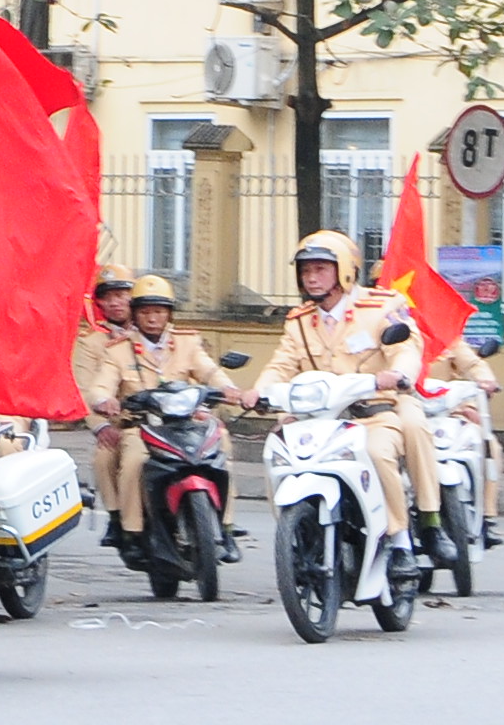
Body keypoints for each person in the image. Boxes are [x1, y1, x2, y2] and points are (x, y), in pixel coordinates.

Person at [253, 228, 442, 565]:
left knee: (378, 452)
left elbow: (405, 347)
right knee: (277, 449)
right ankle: (296, 530)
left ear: (344, 269)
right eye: (306, 271)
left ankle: (404, 537)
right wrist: (258, 392)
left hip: (375, 410)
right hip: (322, 418)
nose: (311, 278)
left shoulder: (382, 306)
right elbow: (281, 364)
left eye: (320, 269)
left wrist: (399, 373)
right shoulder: (299, 322)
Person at [97, 273, 231, 537]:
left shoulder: (187, 341)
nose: (152, 318)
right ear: (134, 315)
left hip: (187, 423)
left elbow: (209, 371)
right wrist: (105, 400)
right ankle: (132, 529)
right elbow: (101, 384)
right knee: (135, 459)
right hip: (142, 425)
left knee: (222, 444)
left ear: (169, 314)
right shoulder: (118, 349)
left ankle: (225, 526)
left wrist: (228, 389)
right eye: (145, 311)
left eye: (159, 311)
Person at [425, 324, 504, 543]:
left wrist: (484, 384)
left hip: (449, 413)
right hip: (405, 414)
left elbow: (472, 364)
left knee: (490, 446)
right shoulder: (389, 336)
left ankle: (487, 519)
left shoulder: (444, 335)